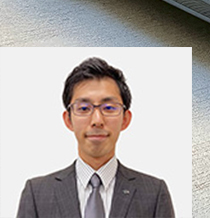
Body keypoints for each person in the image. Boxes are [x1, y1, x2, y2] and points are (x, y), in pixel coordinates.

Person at [16, 57, 175, 218]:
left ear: (125, 119)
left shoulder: (154, 193)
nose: (97, 120)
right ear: (68, 120)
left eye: (109, 108)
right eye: (84, 108)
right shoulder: (37, 194)